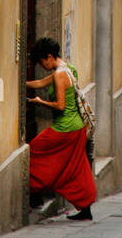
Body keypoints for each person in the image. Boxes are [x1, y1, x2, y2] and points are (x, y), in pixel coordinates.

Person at [27, 37, 97, 221]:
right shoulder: (68, 68)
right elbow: (41, 83)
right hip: (78, 128)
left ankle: (34, 191)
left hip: (65, 128)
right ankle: (86, 209)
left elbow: (60, 105)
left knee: (33, 151)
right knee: (78, 168)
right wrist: (21, 84)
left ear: (49, 56)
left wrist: (40, 102)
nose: (42, 65)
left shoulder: (59, 74)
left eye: (42, 61)